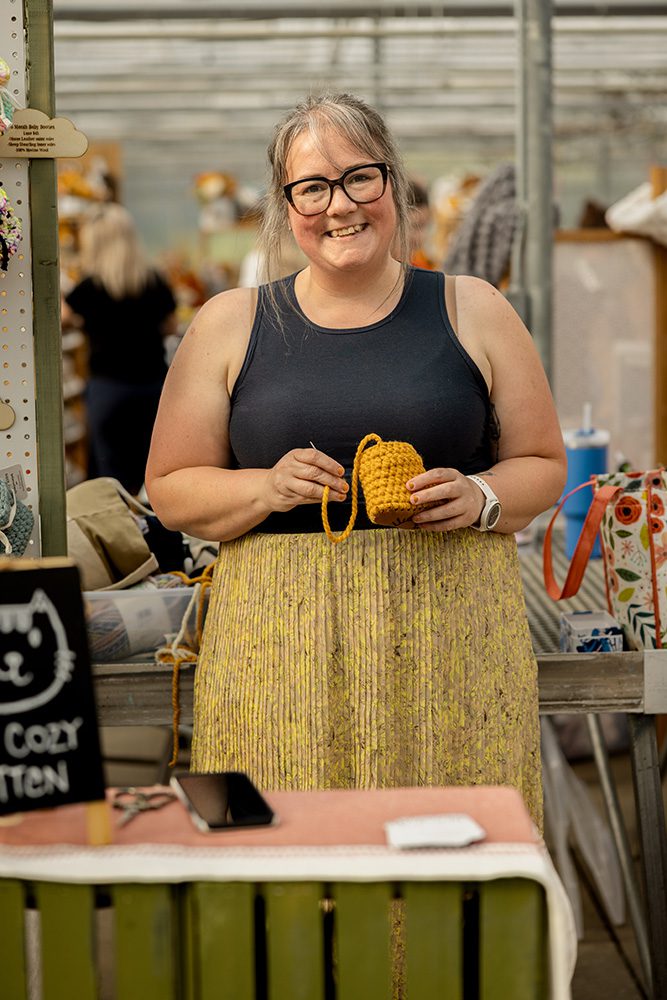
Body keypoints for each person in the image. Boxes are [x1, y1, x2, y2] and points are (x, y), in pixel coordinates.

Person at [146, 92, 566, 830]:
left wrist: (481, 496)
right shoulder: (229, 324)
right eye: (311, 187)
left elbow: (541, 464)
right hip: (275, 649)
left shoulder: (473, 308)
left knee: (450, 852)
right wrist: (266, 486)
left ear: (392, 184)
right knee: (288, 855)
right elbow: (172, 490)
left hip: (450, 643)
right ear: (284, 207)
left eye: (357, 178)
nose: (337, 205)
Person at [61, 203, 177, 495]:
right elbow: (171, 326)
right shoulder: (153, 280)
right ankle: (158, 537)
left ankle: (119, 538)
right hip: (153, 387)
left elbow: (63, 317)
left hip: (108, 390)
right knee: (157, 475)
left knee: (111, 481)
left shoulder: (89, 287)